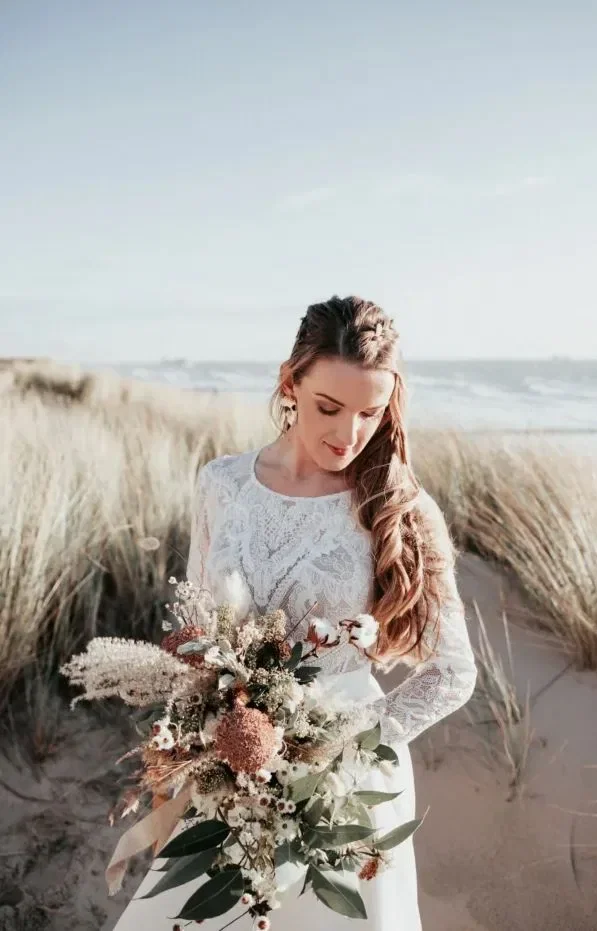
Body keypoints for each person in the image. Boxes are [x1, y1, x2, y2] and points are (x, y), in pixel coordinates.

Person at [110, 294, 478, 931]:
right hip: (230, 763)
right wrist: (197, 733)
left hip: (341, 786)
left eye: (371, 412)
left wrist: (335, 744)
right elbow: (195, 630)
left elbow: (453, 673)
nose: (348, 434)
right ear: (290, 384)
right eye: (328, 408)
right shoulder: (222, 484)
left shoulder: (399, 506)